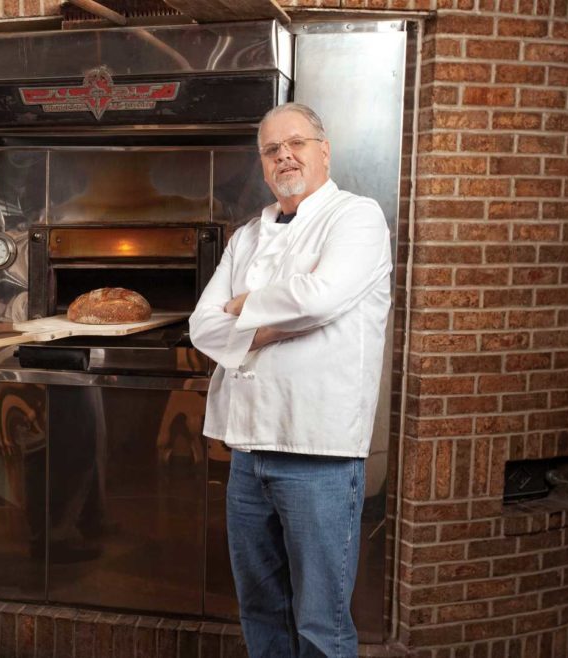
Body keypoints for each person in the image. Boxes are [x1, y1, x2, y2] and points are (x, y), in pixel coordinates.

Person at [189, 102, 392, 658]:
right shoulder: (248, 235)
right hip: (247, 451)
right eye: (272, 150)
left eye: (296, 143)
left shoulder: (356, 217)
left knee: (320, 624)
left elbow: (321, 298)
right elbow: (202, 326)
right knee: (261, 611)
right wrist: (270, 327)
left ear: (324, 151)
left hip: (318, 452)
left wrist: (244, 306)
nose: (284, 157)